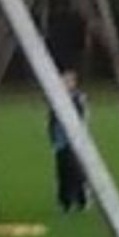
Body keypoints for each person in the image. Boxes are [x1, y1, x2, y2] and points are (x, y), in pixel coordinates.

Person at [48, 69, 89, 212]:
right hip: (60, 140)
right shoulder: (56, 98)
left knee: (75, 170)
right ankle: (65, 202)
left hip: (74, 140)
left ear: (74, 83)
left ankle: (81, 199)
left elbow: (82, 117)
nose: (65, 84)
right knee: (62, 171)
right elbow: (52, 120)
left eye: (68, 81)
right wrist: (52, 137)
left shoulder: (78, 98)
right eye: (63, 81)